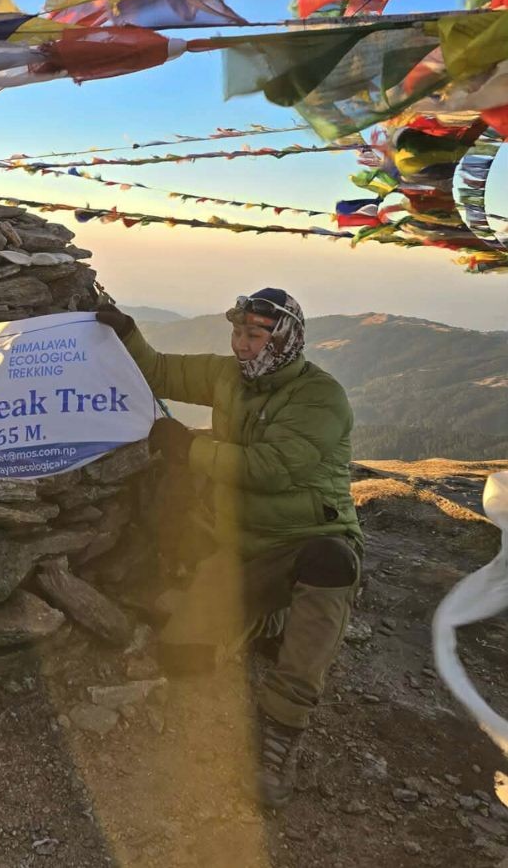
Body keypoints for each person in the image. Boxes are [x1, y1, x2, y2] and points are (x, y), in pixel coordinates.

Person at [97, 289, 363, 809]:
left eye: (255, 334)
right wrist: (126, 332)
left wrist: (186, 445)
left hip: (303, 542)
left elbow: (270, 470)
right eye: (237, 333)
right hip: (239, 544)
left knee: (332, 563)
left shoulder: (320, 398)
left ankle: (283, 727)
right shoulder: (228, 375)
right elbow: (161, 371)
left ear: (284, 338)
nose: (242, 345)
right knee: (185, 658)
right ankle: (270, 620)